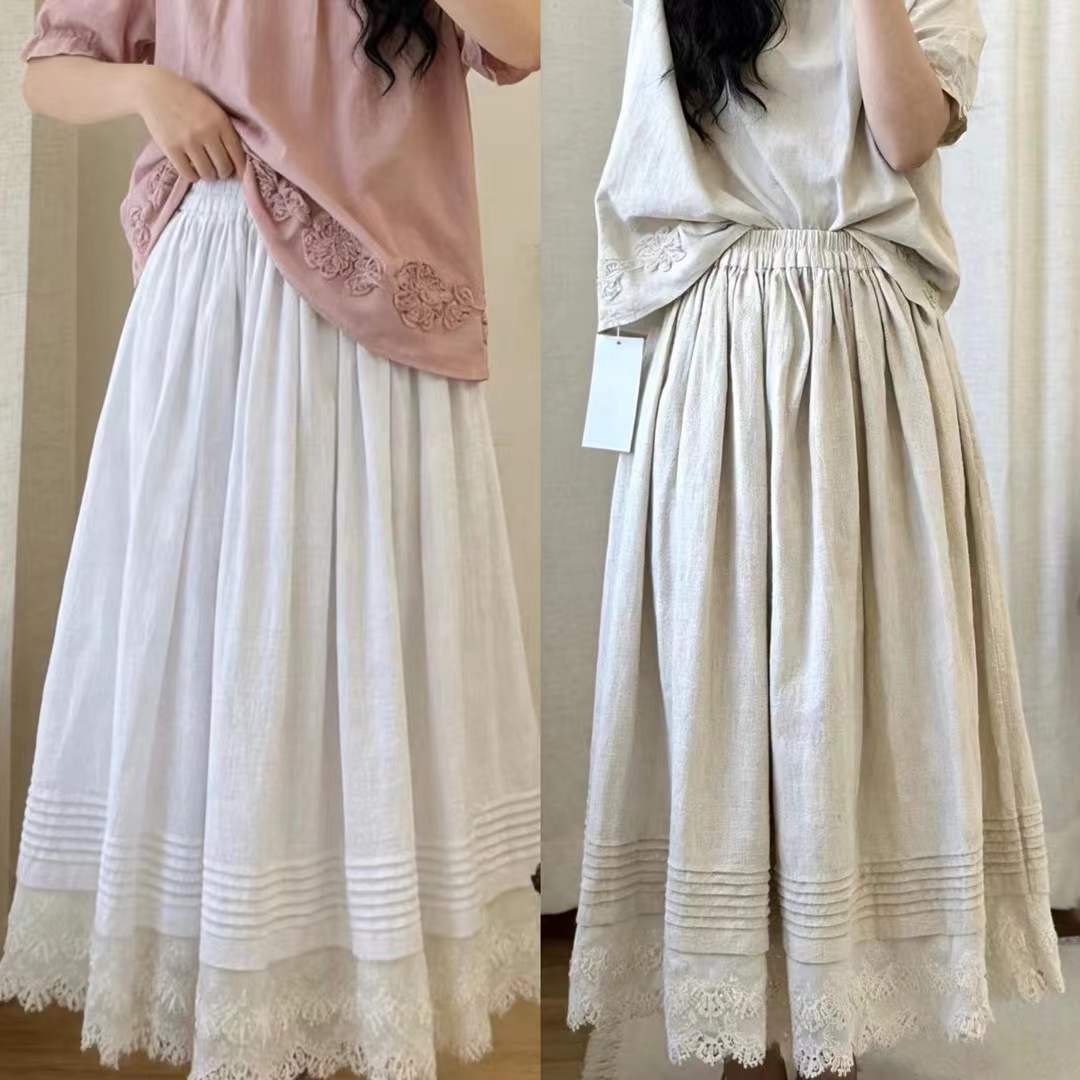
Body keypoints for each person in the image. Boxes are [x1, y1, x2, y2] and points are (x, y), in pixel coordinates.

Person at [0, 3, 541, 1078]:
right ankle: (241, 998)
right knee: (224, 654)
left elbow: (521, 43)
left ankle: (358, 1002)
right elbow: (48, 68)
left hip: (386, 320)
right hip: (220, 296)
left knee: (369, 661)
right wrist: (147, 88)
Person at [568, 1, 1064, 1078]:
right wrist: (619, 401)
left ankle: (826, 1030)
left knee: (850, 699)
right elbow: (638, 193)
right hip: (716, 357)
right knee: (724, 698)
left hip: (868, 363)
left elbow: (907, 134)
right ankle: (743, 1032)